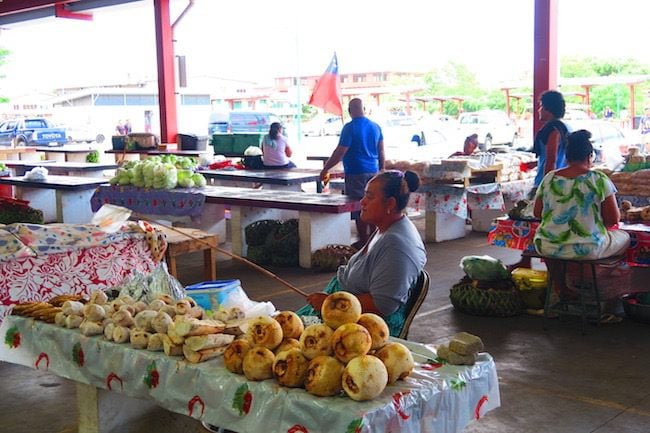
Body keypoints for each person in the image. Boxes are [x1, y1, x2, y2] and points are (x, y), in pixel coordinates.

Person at [296, 169, 427, 337]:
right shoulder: (385, 229)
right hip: (341, 312)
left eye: (370, 197)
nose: (363, 202)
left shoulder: (396, 246)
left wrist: (331, 304)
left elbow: (382, 305)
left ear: (391, 204)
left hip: (364, 328)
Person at [533, 129, 629, 260]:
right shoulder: (599, 178)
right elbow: (613, 219)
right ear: (590, 156)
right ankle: (603, 276)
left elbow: (537, 213)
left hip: (547, 246)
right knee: (625, 237)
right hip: (588, 248)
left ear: (567, 156)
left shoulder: (549, 178)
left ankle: (557, 278)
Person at [320, 98, 385, 249]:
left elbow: (340, 151)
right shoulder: (376, 127)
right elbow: (381, 150)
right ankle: (373, 238)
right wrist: (381, 170)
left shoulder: (349, 128)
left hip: (356, 172)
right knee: (372, 204)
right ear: (364, 108)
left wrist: (326, 168)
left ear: (350, 111)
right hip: (373, 171)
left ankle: (364, 241)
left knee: (359, 207)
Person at [531, 90, 569, 199]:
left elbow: (551, 160)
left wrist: (546, 187)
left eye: (541, 106)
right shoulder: (564, 128)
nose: (539, 110)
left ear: (549, 109)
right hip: (561, 181)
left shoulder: (552, 130)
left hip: (548, 183)